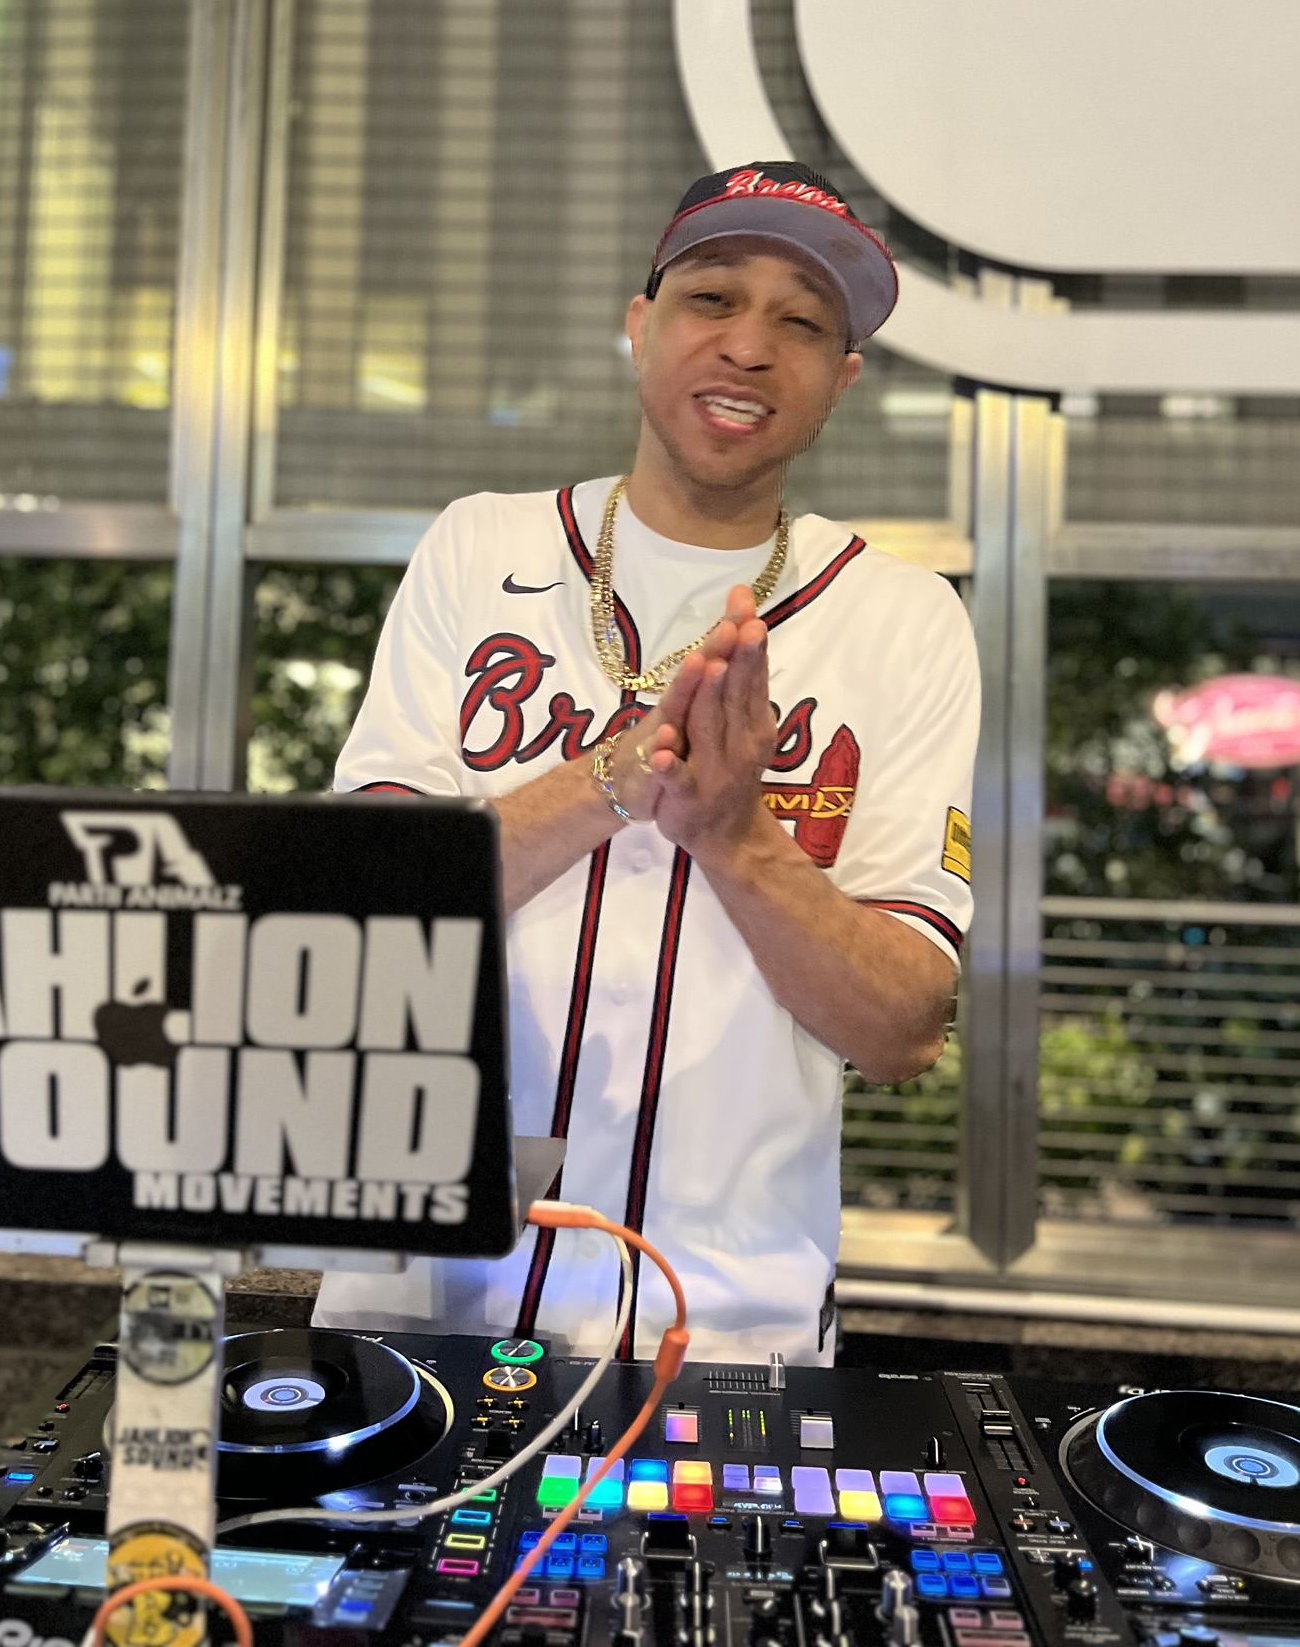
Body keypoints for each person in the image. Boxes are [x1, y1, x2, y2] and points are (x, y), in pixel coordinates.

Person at [315, 161, 981, 1363]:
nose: (749, 346)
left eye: (802, 323)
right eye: (711, 298)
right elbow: (358, 911)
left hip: (723, 1325)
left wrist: (735, 835)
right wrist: (614, 779)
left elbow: (900, 1028)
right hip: (413, 1301)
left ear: (842, 379)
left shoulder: (904, 615)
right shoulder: (479, 545)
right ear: (640, 324)